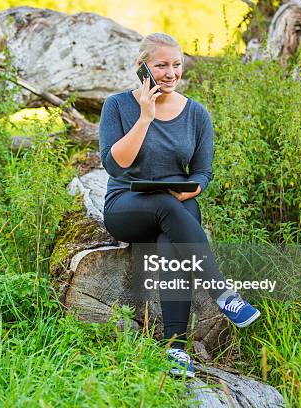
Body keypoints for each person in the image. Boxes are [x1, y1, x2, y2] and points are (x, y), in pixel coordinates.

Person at [98, 33, 260, 378]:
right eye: (161, 65)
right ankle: (222, 292)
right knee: (163, 207)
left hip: (178, 203)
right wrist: (145, 116)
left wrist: (191, 190)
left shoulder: (197, 113)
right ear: (142, 67)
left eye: (176, 65)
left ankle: (177, 349)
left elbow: (203, 171)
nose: (171, 73)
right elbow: (115, 165)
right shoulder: (117, 106)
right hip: (127, 204)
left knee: (171, 243)